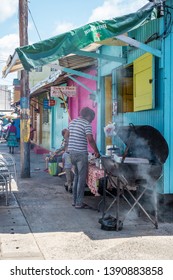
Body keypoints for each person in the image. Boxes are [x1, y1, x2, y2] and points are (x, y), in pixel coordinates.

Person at [67, 107, 100, 209]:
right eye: (92, 117)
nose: (92, 120)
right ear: (89, 116)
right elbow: (90, 139)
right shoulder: (86, 124)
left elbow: (67, 135)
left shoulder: (72, 122)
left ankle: (74, 201)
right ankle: (79, 203)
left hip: (71, 153)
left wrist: (73, 143)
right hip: (81, 154)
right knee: (81, 179)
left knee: (76, 177)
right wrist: (96, 151)